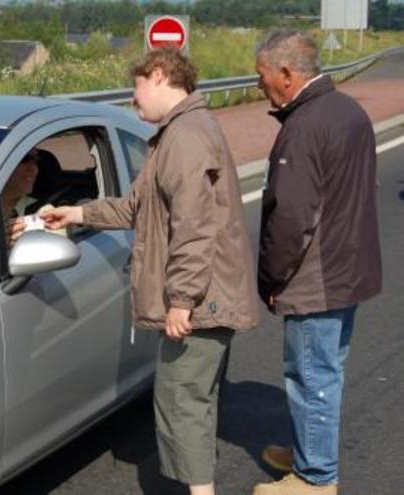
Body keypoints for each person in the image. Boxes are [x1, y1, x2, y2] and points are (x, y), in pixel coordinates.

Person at [40, 47, 260, 495]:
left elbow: (195, 227)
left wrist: (181, 301)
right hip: (206, 295)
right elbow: (139, 207)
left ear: (158, 75)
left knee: (183, 403)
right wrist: (75, 214)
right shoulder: (180, 133)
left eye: (136, 86)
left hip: (200, 301)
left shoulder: (186, 137)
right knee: (189, 402)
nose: (132, 98)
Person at [251, 31, 382, 495]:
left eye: (263, 77)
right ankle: (312, 451)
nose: (260, 86)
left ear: (287, 74)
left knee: (311, 376)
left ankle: (315, 478)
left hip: (316, 275)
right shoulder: (349, 111)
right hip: (350, 267)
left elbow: (291, 217)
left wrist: (271, 275)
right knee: (326, 370)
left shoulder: (304, 126)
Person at [2, 148, 65, 246]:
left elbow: (57, 251)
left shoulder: (45, 213)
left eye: (36, 161)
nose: (33, 168)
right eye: (24, 159)